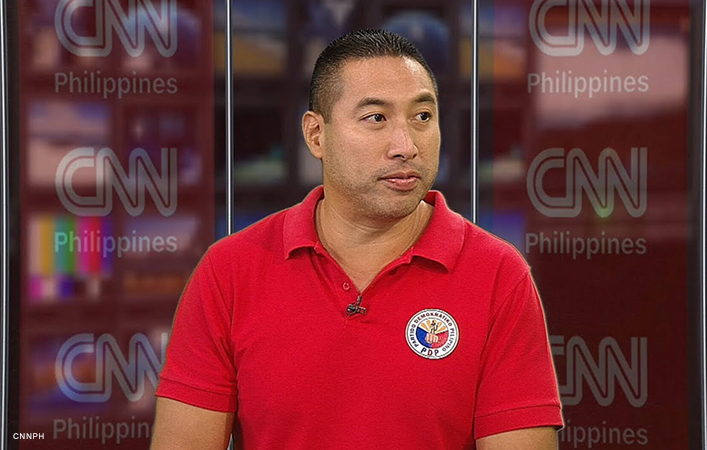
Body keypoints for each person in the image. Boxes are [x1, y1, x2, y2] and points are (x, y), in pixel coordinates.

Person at [150, 29, 562, 450]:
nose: (405, 146)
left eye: (422, 116)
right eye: (376, 118)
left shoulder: (498, 275)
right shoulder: (230, 270)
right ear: (316, 135)